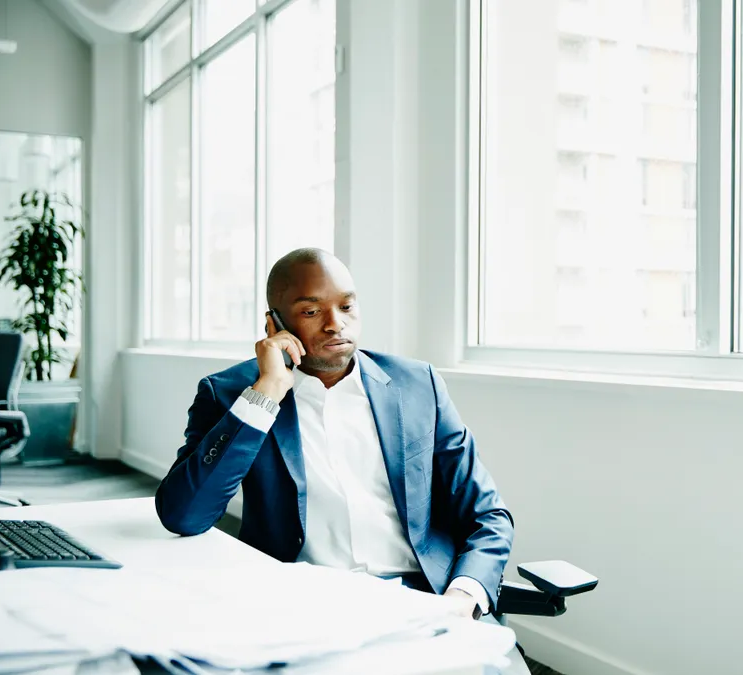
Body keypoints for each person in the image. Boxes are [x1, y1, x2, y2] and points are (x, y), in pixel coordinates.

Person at [155, 248, 522, 671]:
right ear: (275, 323)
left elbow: (488, 515)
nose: (336, 324)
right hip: (302, 610)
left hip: (423, 602)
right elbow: (184, 515)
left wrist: (462, 598)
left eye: (346, 306)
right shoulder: (231, 393)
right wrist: (268, 390)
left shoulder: (417, 384)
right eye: (311, 311)